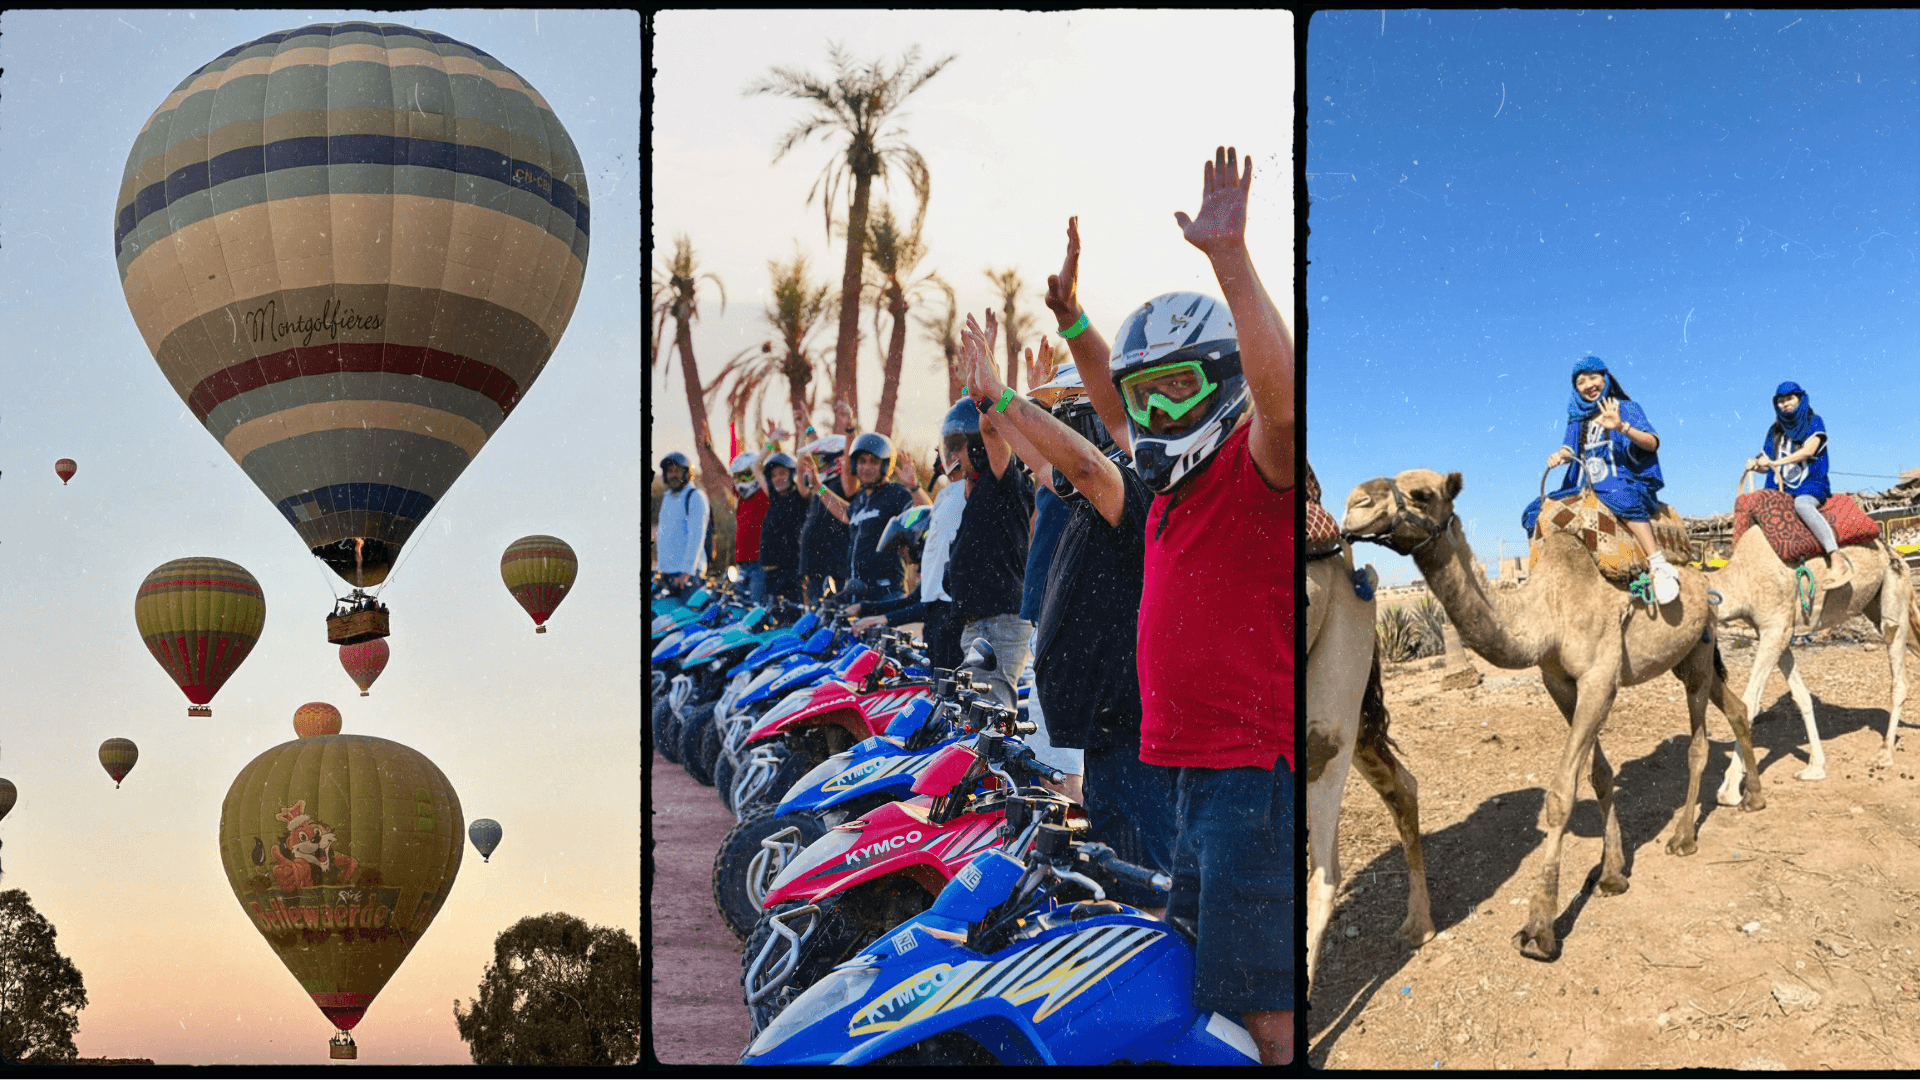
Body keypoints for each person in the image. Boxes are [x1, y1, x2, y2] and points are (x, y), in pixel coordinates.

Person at [1042, 148, 1296, 1065]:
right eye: (1149, 394)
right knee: (1198, 973)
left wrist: (1229, 258)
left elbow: (1281, 396)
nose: (1155, 410)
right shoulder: (1166, 493)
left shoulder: (1250, 471)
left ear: (1221, 382)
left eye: (1181, 386)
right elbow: (1113, 406)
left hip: (1243, 775)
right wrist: (1072, 318)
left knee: (1264, 1004)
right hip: (1190, 771)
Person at [961, 339, 1176, 908]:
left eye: (1064, 415)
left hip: (1130, 731)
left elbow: (1079, 461)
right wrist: (992, 406)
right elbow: (1044, 460)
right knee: (1116, 875)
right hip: (1107, 732)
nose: (1054, 426)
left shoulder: (1130, 486)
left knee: (1147, 886)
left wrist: (1007, 396)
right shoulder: (1086, 491)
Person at [1524, 356, 1678, 603]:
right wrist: (1559, 455)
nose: (1588, 385)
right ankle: (1541, 576)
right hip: (1584, 485)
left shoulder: (1627, 408)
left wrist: (1622, 427)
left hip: (1623, 479)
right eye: (1581, 382)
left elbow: (1652, 443)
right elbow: (1569, 449)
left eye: (1593, 377)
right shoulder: (1578, 418)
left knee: (1617, 492)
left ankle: (1658, 564)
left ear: (1605, 378)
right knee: (1535, 510)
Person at [917, 391, 1034, 710]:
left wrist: (984, 390)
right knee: (969, 717)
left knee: (990, 717)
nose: (951, 455)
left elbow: (994, 430)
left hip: (999, 621)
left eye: (958, 446)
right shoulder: (973, 496)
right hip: (978, 623)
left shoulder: (1005, 485)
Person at [850, 453, 969, 669]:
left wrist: (883, 619)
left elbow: (927, 608)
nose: (903, 554)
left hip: (949, 654)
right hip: (935, 646)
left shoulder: (948, 569)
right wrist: (863, 608)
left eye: (904, 548)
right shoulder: (930, 575)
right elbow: (911, 600)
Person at [812, 402, 930, 605]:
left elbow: (928, 514)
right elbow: (845, 513)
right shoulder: (860, 499)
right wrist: (818, 486)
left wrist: (914, 487)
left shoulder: (896, 493)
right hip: (856, 593)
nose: (867, 467)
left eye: (874, 462)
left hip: (887, 594)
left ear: (885, 465)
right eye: (862, 461)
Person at [1747, 380, 1850, 587]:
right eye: (1781, 401)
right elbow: (1767, 465)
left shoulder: (1814, 422)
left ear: (1800, 399)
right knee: (1756, 512)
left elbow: (1809, 451)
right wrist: (1756, 464)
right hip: (1780, 487)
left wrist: (1774, 462)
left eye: (1789, 399)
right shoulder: (1774, 431)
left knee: (1802, 505)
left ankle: (1837, 559)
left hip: (1810, 483)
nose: (1785, 404)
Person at [752, 431, 808, 603]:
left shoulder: (799, 497)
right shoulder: (775, 497)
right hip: (770, 576)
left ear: (791, 474)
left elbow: (801, 464)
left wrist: (802, 431)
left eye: (782, 473)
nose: (777, 478)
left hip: (790, 575)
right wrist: (771, 441)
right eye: (774, 475)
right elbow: (756, 466)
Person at [795, 435, 851, 604]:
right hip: (815, 565)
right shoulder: (822, 486)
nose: (818, 467)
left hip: (833, 564)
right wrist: (805, 430)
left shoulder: (844, 484)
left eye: (823, 463)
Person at [655, 451, 708, 594]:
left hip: (688, 574)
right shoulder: (667, 498)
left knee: (689, 615)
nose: (673, 475)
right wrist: (660, 570)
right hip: (668, 573)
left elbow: (696, 537)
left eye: (677, 470)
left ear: (687, 473)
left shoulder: (695, 496)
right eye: (669, 471)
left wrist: (687, 572)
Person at [729, 450, 769, 603]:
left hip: (759, 564)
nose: (743, 480)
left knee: (756, 609)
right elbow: (720, 475)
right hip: (742, 566)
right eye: (739, 476)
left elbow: (759, 468)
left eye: (747, 474)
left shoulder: (764, 496)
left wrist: (771, 443)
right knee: (738, 607)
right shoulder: (742, 499)